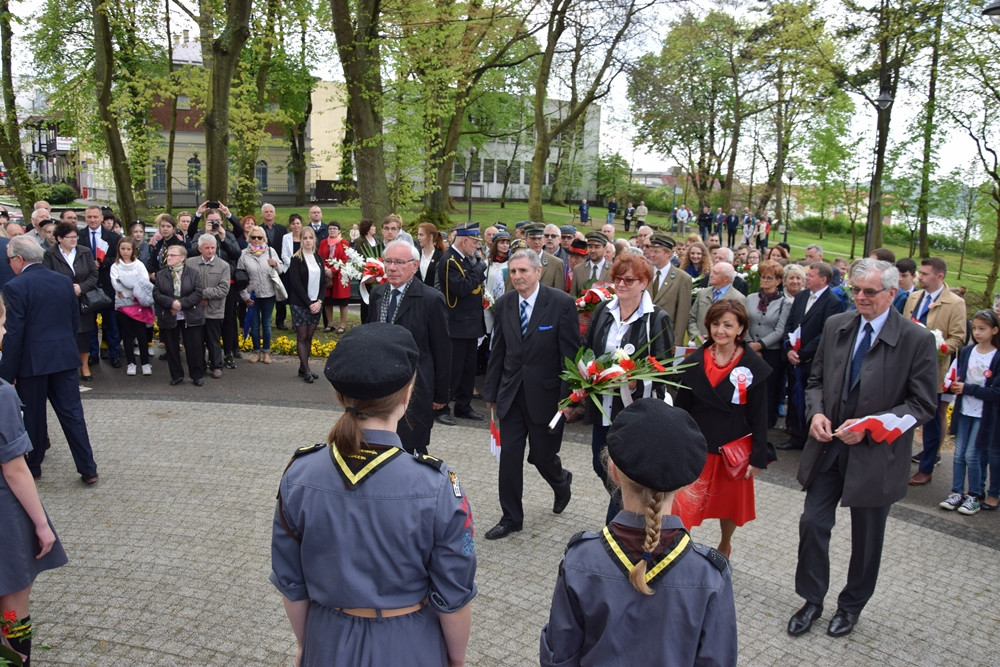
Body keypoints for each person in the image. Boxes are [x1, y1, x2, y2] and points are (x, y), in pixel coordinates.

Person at [270, 323, 476, 666]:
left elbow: (292, 583)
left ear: (341, 396)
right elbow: (454, 595)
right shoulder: (436, 486)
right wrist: (456, 659)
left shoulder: (299, 473)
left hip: (328, 637)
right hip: (409, 643)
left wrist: (307, 646)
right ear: (408, 394)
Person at [788, 259, 937, 639]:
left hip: (876, 457)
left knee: (867, 538)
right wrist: (816, 414)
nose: (860, 297)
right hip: (829, 448)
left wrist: (871, 428)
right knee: (813, 523)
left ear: (891, 293)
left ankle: (851, 606)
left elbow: (922, 405)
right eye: (855, 290)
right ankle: (811, 599)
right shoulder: (838, 324)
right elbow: (816, 379)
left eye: (869, 292)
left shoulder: (915, 339)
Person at [540, 398, 736, 666]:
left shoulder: (580, 560)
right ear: (688, 483)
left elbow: (558, 657)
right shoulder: (709, 575)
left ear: (613, 471)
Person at [483, 248, 578, 539]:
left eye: (523, 271)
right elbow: (498, 350)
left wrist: (570, 398)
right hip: (511, 395)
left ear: (538, 272)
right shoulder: (505, 303)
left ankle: (561, 483)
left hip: (547, 397)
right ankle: (511, 517)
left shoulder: (561, 303)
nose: (518, 276)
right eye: (513, 271)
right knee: (510, 457)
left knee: (541, 456)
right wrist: (492, 391)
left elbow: (570, 355)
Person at [0, 293, 69, 667]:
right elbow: (14, 468)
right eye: (2, 322)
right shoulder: (3, 395)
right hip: (4, 516)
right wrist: (42, 525)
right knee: (12, 604)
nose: (6, 329)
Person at [580, 254, 674, 518]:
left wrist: (634, 380)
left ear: (644, 282)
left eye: (628, 280)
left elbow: (665, 369)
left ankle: (617, 529)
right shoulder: (604, 310)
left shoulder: (656, 318)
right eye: (617, 278)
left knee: (621, 472)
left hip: (634, 410)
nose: (621, 284)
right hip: (603, 407)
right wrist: (584, 377)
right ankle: (632, 514)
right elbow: (586, 350)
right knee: (601, 467)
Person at [675, 300, 771, 558]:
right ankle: (679, 550)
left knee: (729, 507)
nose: (721, 331)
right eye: (716, 324)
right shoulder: (694, 361)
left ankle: (725, 544)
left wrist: (759, 456)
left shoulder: (753, 367)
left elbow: (760, 415)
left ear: (740, 329)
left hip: (732, 449)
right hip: (698, 445)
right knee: (683, 507)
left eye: (728, 325)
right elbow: (681, 406)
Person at [1, 236, 99, 483]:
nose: (9, 264)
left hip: (32, 363)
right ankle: (88, 468)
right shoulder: (63, 281)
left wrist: (6, 373)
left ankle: (34, 467)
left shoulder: (15, 286)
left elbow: (14, 333)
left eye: (9, 259)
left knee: (33, 416)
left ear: (19, 259)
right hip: (64, 358)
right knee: (72, 414)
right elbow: (74, 320)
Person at [367, 241, 452, 454]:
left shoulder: (431, 299)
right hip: (380, 386)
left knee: (412, 449)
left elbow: (442, 351)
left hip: (415, 388)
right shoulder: (378, 294)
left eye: (399, 262)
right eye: (388, 261)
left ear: (414, 266)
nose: (392, 268)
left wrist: (441, 395)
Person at [903, 258, 967, 486]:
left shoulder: (955, 303)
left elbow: (958, 338)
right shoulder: (913, 297)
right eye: (920, 272)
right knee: (902, 414)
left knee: (930, 420)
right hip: (906, 367)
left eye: (925, 273)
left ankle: (926, 467)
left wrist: (939, 347)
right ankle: (897, 461)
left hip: (933, 370)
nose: (920, 276)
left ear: (939, 277)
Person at [779, 262, 846, 451]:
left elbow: (826, 332)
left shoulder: (833, 302)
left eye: (811, 275)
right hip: (793, 358)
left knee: (809, 398)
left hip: (812, 361)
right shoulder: (801, 296)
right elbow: (790, 324)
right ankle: (794, 433)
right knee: (793, 395)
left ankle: (807, 434)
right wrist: (789, 349)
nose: (806, 278)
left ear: (823, 279)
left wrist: (802, 353)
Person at [941, 309, 1000, 515]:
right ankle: (957, 491)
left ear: (994, 330)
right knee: (959, 454)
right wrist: (953, 384)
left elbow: (996, 391)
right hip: (964, 410)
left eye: (982, 329)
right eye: (974, 328)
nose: (977, 333)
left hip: (984, 415)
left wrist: (967, 388)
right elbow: (956, 375)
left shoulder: (997, 356)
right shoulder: (967, 352)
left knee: (973, 455)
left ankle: (974, 494)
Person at [436, 222, 487, 425]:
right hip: (457, 325)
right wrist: (479, 268)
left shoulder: (465, 259)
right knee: (453, 370)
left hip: (470, 324)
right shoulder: (449, 261)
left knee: (468, 370)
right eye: (475, 242)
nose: (477, 246)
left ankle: (463, 406)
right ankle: (442, 406)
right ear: (464, 240)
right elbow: (461, 288)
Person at [43, 222, 100, 381]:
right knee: (64, 335)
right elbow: (47, 276)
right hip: (61, 302)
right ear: (59, 238)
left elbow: (94, 275)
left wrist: (81, 287)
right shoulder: (50, 254)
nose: (74, 240)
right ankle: (65, 367)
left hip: (83, 301)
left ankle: (85, 367)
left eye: (75, 236)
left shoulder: (84, 251)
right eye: (70, 237)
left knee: (83, 335)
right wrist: (66, 288)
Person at [746, 260, 790, 427]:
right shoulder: (750, 298)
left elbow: (780, 330)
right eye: (763, 277)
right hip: (749, 348)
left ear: (778, 281)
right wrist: (750, 343)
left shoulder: (784, 303)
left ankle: (766, 422)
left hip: (771, 352)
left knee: (768, 388)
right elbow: (744, 323)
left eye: (769, 278)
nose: (764, 281)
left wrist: (761, 345)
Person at [153, 245, 206, 386]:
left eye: (172, 255)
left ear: (182, 258)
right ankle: (176, 375)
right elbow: (157, 294)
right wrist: (171, 303)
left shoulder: (193, 273)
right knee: (171, 347)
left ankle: (196, 375)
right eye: (168, 255)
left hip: (190, 315)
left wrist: (180, 304)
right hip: (169, 316)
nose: (168, 258)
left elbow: (197, 293)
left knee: (194, 347)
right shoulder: (161, 274)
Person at [285, 227, 329, 383]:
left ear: (314, 239)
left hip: (316, 304)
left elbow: (324, 282)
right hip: (300, 303)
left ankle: (303, 368)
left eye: (311, 238)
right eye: (305, 238)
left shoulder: (318, 258)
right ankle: (307, 370)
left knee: (309, 336)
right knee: (302, 336)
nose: (308, 241)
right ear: (301, 240)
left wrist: (319, 301)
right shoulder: (296, 259)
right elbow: (296, 284)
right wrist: (309, 303)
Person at [186, 234, 230, 379]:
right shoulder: (189, 263)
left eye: (213, 248)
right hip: (195, 309)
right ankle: (200, 366)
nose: (210, 251)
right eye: (207, 248)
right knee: (197, 341)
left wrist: (205, 295)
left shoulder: (223, 266)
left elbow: (223, 289)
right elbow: (186, 286)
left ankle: (216, 365)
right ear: (199, 249)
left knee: (213, 339)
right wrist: (198, 297)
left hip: (214, 310)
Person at [110, 237, 155, 377]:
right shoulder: (115, 266)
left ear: (133, 250)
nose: (125, 252)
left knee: (142, 335)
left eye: (128, 249)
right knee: (127, 335)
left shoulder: (139, 265)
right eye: (122, 249)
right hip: (123, 306)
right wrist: (133, 288)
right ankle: (131, 363)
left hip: (138, 304)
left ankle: (145, 363)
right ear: (118, 249)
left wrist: (128, 290)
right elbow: (116, 285)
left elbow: (144, 282)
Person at [238, 227, 282, 364]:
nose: (256, 240)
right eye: (253, 237)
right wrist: (245, 296)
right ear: (249, 238)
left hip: (268, 294)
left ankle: (266, 353)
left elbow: (281, 270)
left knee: (267, 324)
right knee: (254, 324)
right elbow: (239, 277)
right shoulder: (243, 254)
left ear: (264, 239)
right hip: (252, 295)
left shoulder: (270, 251)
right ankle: (256, 352)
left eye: (259, 237)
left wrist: (275, 264)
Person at [688, 262, 746, 346]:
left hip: (724, 346)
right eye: (712, 272)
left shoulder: (738, 298)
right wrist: (696, 336)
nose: (711, 275)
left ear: (726, 278)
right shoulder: (703, 293)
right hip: (699, 345)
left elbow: (742, 326)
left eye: (715, 273)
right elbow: (691, 318)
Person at [318, 222, 351, 334]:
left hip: (340, 276)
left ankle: (342, 324)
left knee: (342, 301)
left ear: (339, 231)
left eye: (334, 228)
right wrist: (326, 270)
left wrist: (333, 270)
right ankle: (330, 323)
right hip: (326, 275)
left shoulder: (344, 243)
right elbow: (320, 256)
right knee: (327, 301)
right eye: (330, 228)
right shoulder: (323, 243)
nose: (332, 230)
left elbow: (345, 259)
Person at [569, 231, 611, 297]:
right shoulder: (578, 269)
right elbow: (573, 296)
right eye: (590, 246)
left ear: (604, 248)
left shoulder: (613, 269)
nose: (592, 250)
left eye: (597, 247)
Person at [416, 222, 445, 287]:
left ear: (430, 237)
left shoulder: (441, 256)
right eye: (418, 235)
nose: (418, 238)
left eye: (421, 235)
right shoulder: (416, 255)